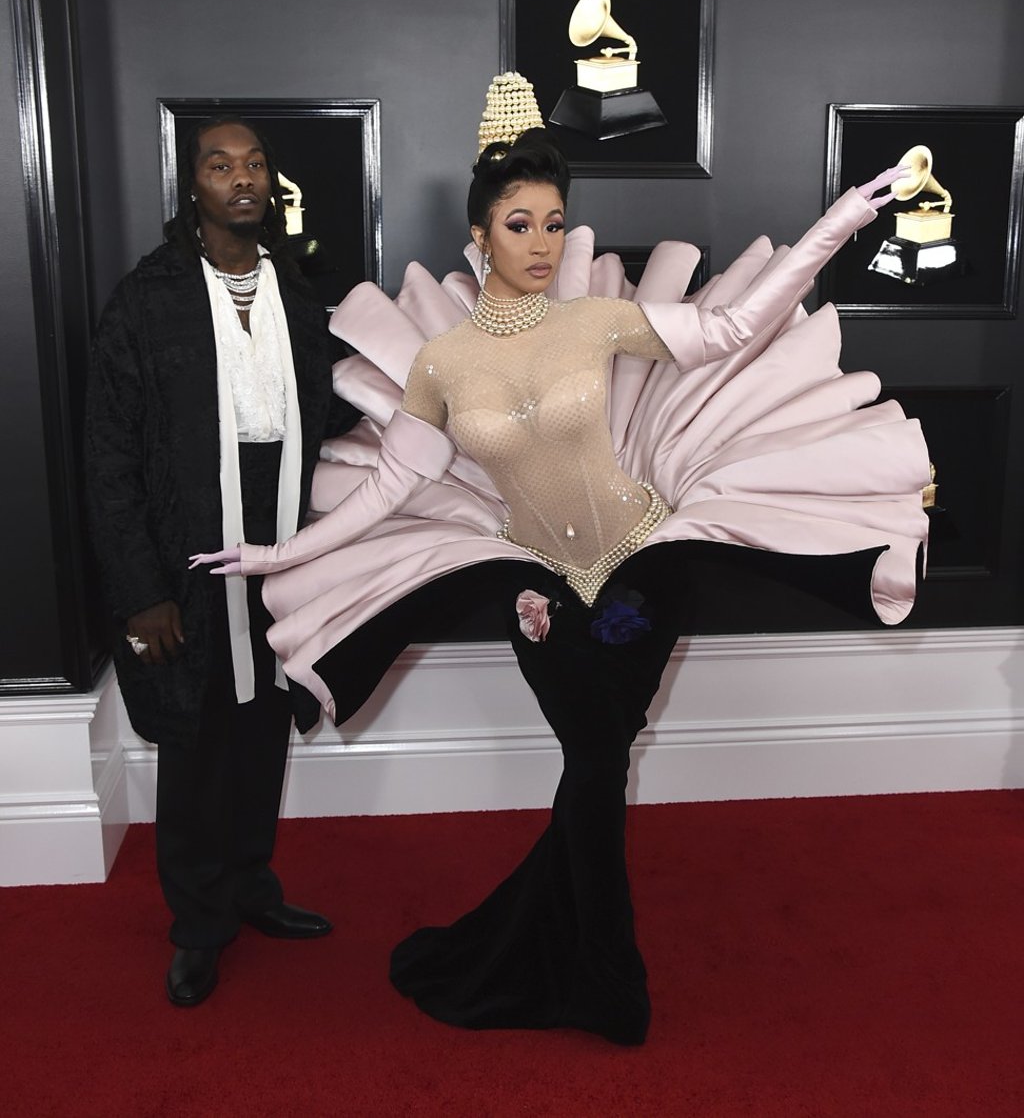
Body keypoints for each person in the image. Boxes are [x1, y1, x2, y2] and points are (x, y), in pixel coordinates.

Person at [193, 85, 930, 1043]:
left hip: (643, 570)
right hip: (543, 589)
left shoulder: (593, 323)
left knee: (594, 767)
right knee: (594, 766)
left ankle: (606, 982)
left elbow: (736, 327)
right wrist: (274, 554)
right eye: (519, 224)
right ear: (479, 235)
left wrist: (843, 217)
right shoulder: (444, 366)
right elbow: (386, 493)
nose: (542, 244)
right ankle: (566, 954)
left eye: (554, 223)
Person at [85, 116, 357, 1008]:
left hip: (278, 540)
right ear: (191, 185)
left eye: (254, 164)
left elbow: (330, 420)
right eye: (218, 164)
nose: (240, 177)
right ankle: (198, 927)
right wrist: (140, 592)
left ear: (268, 183)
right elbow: (110, 455)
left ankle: (250, 889)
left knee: (259, 732)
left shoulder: (303, 291)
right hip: (185, 554)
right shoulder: (148, 298)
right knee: (196, 742)